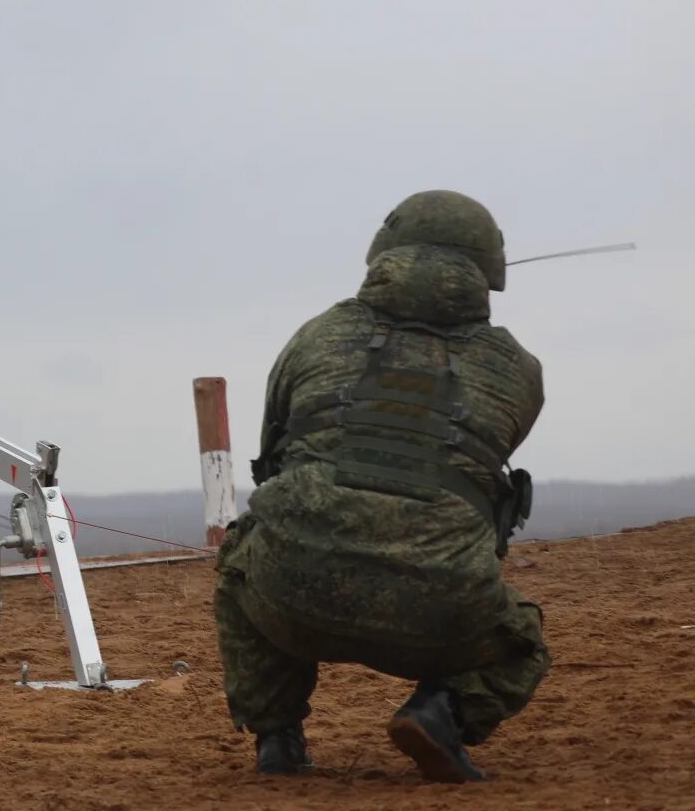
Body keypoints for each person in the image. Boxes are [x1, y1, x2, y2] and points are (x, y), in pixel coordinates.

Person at [214, 190, 547, 783]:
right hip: (440, 611)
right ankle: (440, 712)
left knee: (241, 567)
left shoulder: (318, 335)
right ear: (487, 270)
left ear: (384, 253)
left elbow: (273, 457)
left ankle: (278, 738)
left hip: (291, 597)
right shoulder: (518, 369)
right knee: (521, 642)